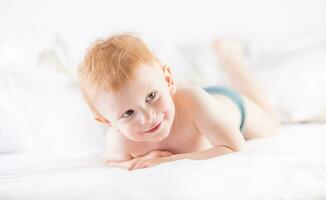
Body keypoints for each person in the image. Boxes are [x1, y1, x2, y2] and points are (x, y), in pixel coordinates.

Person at [78, 33, 281, 171]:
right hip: (197, 111)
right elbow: (112, 163)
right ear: (108, 122)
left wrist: (164, 161)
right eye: (128, 113)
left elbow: (234, 148)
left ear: (167, 80)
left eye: (151, 97)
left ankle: (229, 55)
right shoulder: (119, 140)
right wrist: (139, 163)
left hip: (227, 106)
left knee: (271, 123)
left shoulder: (197, 101)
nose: (148, 117)